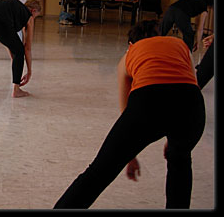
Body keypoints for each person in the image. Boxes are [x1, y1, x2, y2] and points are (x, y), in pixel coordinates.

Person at [53, 20, 205, 209]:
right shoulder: (180, 45)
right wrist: (176, 136)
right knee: (180, 162)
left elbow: (127, 111)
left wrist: (129, 155)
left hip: (149, 102)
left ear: (130, 44)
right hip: (192, 107)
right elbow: (193, 82)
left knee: (99, 172)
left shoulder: (129, 54)